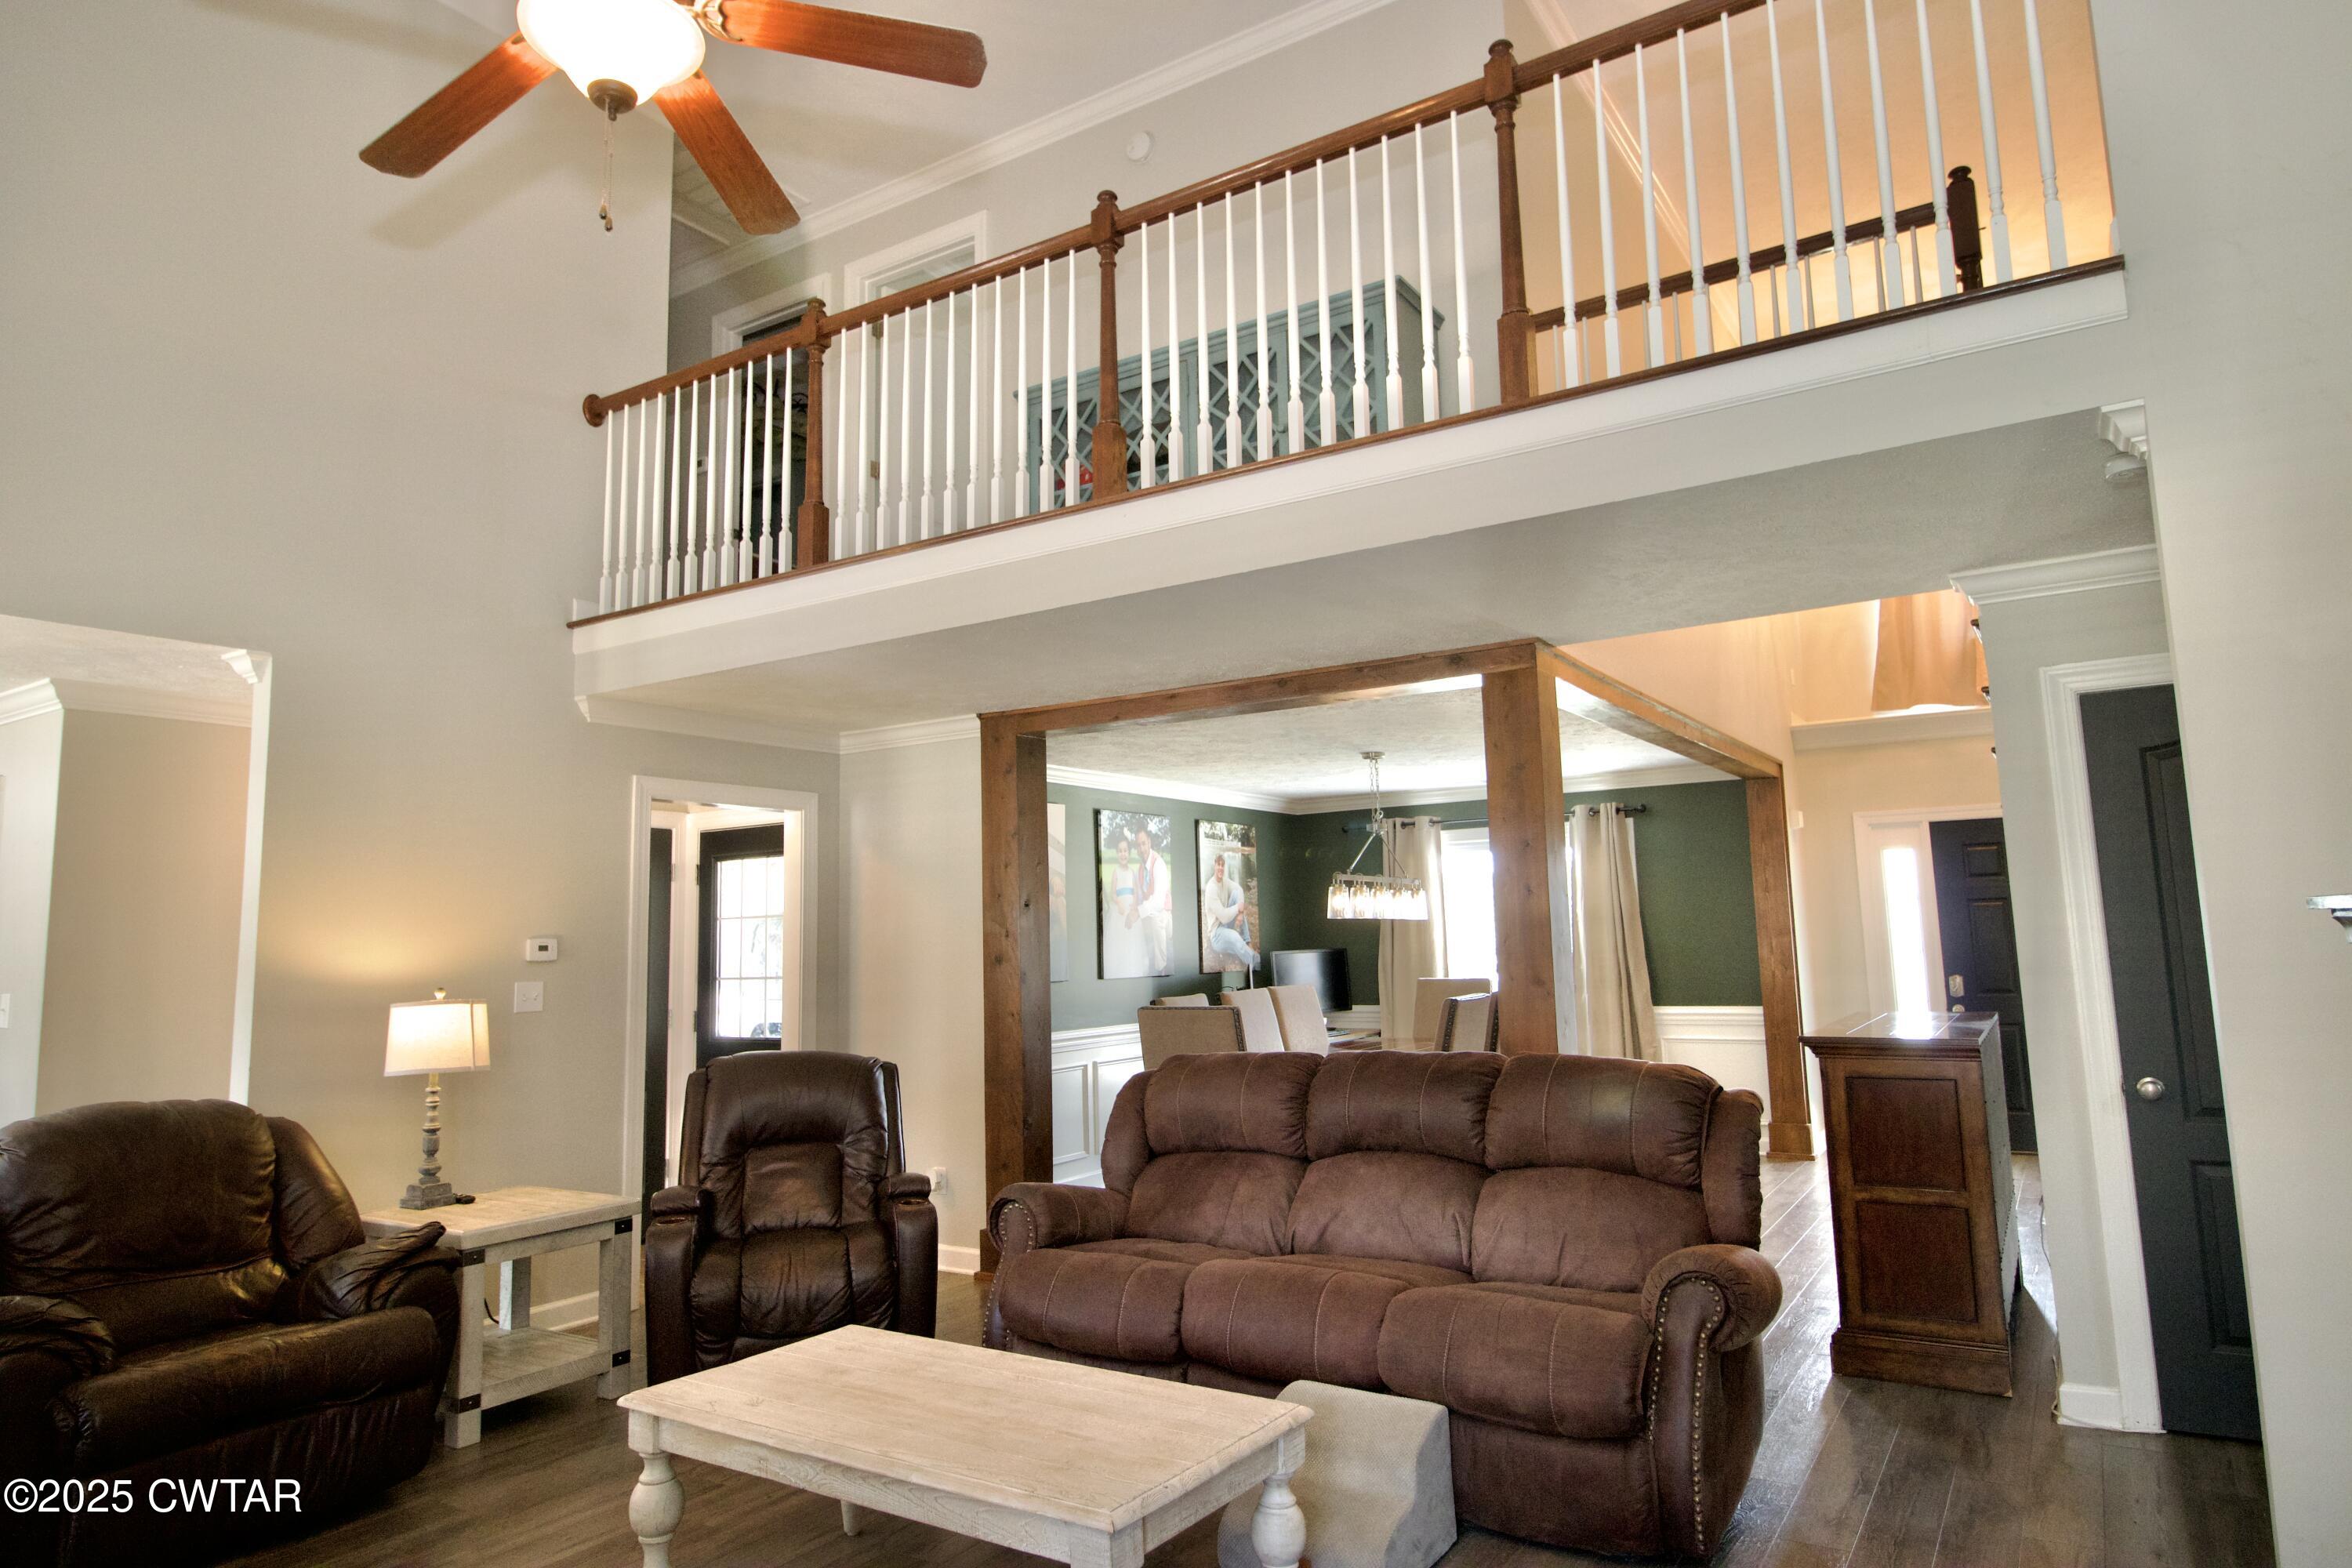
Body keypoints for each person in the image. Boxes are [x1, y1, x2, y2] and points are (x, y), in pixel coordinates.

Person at [1203, 851, 1258, 971]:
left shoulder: (1224, 881)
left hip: (1225, 925)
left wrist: (1241, 913)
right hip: (1217, 934)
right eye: (1219, 864)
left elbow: (1239, 889)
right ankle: (1256, 961)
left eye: (1223, 865)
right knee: (1235, 937)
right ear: (1214, 865)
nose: (1221, 868)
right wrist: (1238, 908)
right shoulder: (1211, 888)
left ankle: (1247, 941)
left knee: (1235, 894)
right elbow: (1223, 916)